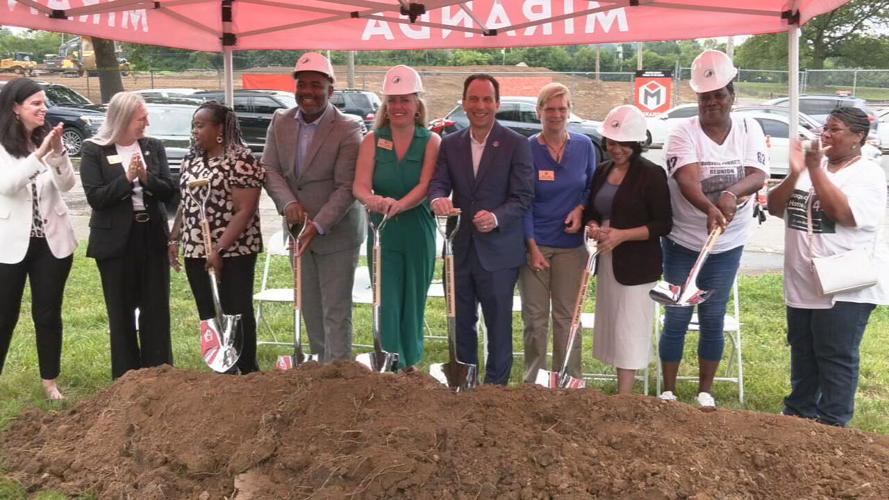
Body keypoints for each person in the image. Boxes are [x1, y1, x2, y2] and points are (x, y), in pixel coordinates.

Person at [659, 50, 768, 409]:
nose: (712, 103)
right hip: (683, 241)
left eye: (719, 95)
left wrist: (730, 194)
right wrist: (709, 207)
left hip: (727, 244)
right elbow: (686, 181)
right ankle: (668, 391)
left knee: (713, 315)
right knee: (677, 313)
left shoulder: (750, 128)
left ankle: (705, 392)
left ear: (732, 96)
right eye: (705, 97)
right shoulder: (682, 132)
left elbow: (758, 174)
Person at [767, 107, 889, 427]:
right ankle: (799, 413)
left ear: (858, 136)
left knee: (834, 354)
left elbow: (843, 215)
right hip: (803, 280)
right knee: (803, 351)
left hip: (845, 283)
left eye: (835, 129)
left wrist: (815, 172)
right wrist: (796, 173)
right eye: (825, 128)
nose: (825, 134)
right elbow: (775, 207)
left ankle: (833, 423)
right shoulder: (811, 168)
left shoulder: (868, 174)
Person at [428, 74, 534, 385]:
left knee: (499, 325)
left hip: (499, 251)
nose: (480, 106)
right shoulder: (451, 144)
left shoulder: (516, 144)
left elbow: (523, 196)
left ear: (497, 104)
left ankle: (495, 391)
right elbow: (438, 183)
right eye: (473, 99)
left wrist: (497, 217)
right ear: (463, 103)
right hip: (459, 249)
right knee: (461, 321)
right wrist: (437, 199)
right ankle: (465, 384)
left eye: (487, 99)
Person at [263, 52, 364, 363]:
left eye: (316, 85)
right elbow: (269, 169)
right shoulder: (280, 121)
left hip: (336, 233)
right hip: (297, 232)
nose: (308, 91)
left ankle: (339, 373)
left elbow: (346, 186)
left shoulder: (348, 128)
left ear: (330, 90)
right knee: (309, 308)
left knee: (336, 310)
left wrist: (317, 224)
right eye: (302, 84)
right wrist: (288, 203)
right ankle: (321, 369)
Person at [81, 92, 176, 379]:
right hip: (115, 241)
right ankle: (125, 376)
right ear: (122, 119)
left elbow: (170, 192)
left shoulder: (153, 147)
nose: (147, 123)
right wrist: (127, 179)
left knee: (155, 306)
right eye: (141, 118)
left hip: (151, 235)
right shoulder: (94, 150)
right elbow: (96, 198)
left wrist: (147, 178)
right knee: (120, 309)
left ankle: (159, 372)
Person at [352, 65, 441, 371]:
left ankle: (410, 363)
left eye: (405, 100)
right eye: (392, 100)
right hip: (383, 230)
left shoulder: (431, 141)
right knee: (385, 298)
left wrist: (400, 205)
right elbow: (359, 185)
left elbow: (426, 184)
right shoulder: (372, 139)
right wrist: (373, 200)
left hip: (417, 229)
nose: (398, 106)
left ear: (417, 104)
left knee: (413, 298)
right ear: (385, 106)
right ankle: (388, 361)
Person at [169, 102, 264, 374]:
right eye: (193, 126)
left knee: (236, 309)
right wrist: (175, 238)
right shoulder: (192, 158)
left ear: (220, 128)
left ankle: (246, 370)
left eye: (200, 126)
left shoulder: (240, 159)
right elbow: (186, 202)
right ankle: (221, 371)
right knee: (208, 311)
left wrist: (219, 250)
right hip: (196, 248)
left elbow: (245, 209)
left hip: (235, 250)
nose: (195, 131)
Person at [584, 105, 672, 394]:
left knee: (630, 326)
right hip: (608, 258)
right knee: (613, 322)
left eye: (623, 143)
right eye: (611, 142)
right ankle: (620, 389)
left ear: (637, 143)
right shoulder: (602, 170)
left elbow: (663, 224)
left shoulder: (651, 174)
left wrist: (622, 235)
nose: (616, 149)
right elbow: (592, 210)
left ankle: (625, 396)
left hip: (638, 264)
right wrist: (593, 225)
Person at [0, 78, 76, 400]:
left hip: (51, 242)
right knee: (4, 314)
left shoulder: (47, 140)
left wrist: (57, 154)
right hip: (9, 244)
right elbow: (7, 186)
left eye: (44, 103)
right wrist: (40, 154)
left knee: (48, 314)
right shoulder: (2, 147)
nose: (43, 108)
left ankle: (50, 381)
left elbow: (67, 185)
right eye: (36, 103)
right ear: (15, 108)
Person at [519, 82, 596, 383]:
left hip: (572, 247)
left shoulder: (584, 146)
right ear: (538, 112)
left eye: (562, 108)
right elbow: (523, 200)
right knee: (535, 319)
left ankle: (568, 379)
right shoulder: (527, 149)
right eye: (549, 109)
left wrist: (581, 208)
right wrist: (531, 247)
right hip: (535, 244)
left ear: (569, 110)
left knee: (567, 318)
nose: (556, 114)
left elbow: (591, 187)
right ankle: (534, 382)